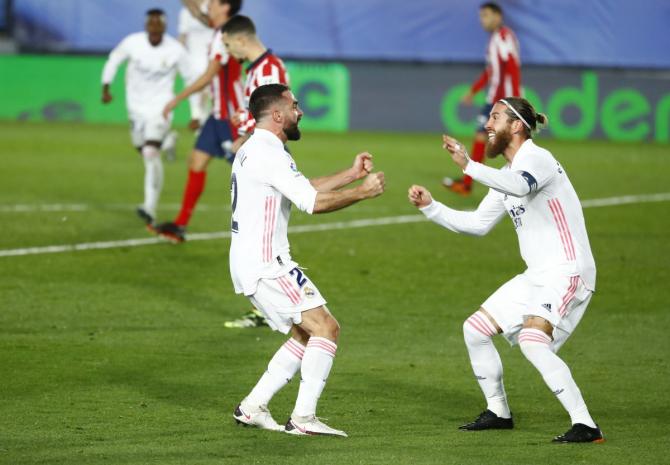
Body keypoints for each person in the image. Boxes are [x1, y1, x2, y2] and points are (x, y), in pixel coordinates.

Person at [409, 97, 604, 443]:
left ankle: (585, 425)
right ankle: (498, 412)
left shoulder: (537, 159)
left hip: (568, 270)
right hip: (538, 275)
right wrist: (431, 207)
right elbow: (477, 224)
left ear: (516, 126)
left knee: (532, 340)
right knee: (475, 329)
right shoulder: (505, 175)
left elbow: (521, 186)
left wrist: (469, 165)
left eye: (495, 118)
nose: (487, 125)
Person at [230, 84, 385, 436]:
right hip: (267, 262)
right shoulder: (269, 152)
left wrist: (350, 175)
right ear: (278, 114)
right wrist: (362, 192)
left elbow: (300, 186)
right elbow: (311, 203)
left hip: (252, 260)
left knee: (305, 333)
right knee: (326, 328)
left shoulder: (258, 148)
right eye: (295, 105)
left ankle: (253, 407)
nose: (300, 111)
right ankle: (303, 418)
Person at [153, 0, 243, 243]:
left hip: (232, 116)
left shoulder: (223, 35)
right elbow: (199, 12)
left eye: (213, 3)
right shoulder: (225, 30)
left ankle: (286, 201)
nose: (208, 5)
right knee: (196, 161)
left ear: (225, 6)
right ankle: (180, 225)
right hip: (217, 114)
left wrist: (177, 98)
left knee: (251, 170)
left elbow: (208, 76)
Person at [101, 8, 195, 228]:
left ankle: (149, 207)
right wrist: (105, 86)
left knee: (150, 152)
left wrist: (196, 113)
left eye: (158, 24)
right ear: (146, 26)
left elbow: (191, 81)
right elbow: (113, 60)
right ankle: (169, 141)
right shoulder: (133, 43)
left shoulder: (176, 50)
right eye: (150, 24)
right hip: (136, 109)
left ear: (164, 26)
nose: (154, 28)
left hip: (161, 109)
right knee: (141, 148)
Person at [443, 2, 522, 196]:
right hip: (495, 99)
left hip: (503, 100)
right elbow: (491, 71)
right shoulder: (496, 38)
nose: (482, 20)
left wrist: (514, 98)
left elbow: (512, 66)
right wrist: (473, 91)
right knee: (486, 137)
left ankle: (471, 183)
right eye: (481, 16)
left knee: (507, 142)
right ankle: (468, 183)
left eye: (486, 15)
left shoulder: (503, 37)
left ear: (498, 16)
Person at [220, 14, 290, 152]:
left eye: (227, 45)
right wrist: (243, 115)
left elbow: (271, 115)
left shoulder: (268, 69)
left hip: (268, 150)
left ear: (240, 40)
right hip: (262, 147)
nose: (227, 51)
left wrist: (244, 135)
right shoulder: (258, 69)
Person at [177, 0, 214, 131]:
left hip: (212, 59)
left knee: (211, 95)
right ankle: (198, 121)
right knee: (195, 94)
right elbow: (183, 37)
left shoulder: (214, 6)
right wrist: (176, 60)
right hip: (192, 60)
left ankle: (206, 122)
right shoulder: (185, 12)